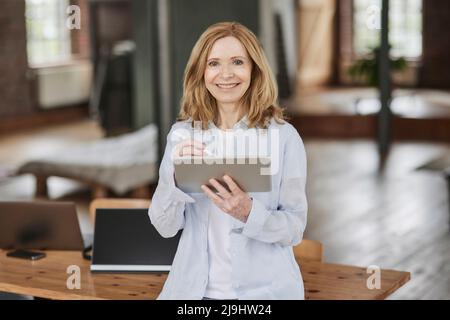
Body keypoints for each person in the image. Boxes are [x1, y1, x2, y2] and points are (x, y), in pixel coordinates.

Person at [148, 21, 307, 300]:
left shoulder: (284, 137)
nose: (225, 74)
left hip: (264, 295)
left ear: (254, 70)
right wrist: (172, 177)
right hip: (193, 293)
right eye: (213, 63)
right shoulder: (182, 135)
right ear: (201, 72)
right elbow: (164, 226)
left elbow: (294, 229)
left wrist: (249, 213)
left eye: (237, 62)